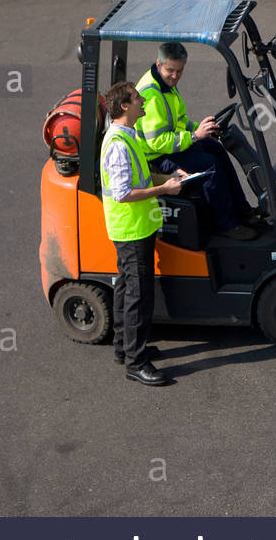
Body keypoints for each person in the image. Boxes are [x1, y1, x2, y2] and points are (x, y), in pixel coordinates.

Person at [100, 81, 183, 387]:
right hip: (132, 228)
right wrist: (164, 189)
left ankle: (124, 347)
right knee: (139, 294)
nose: (144, 102)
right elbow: (123, 193)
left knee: (125, 286)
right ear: (124, 106)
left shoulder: (126, 135)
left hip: (133, 226)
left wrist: (167, 177)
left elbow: (141, 175)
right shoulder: (120, 145)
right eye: (137, 99)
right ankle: (136, 363)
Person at [135, 41, 259, 241]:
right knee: (209, 166)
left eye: (180, 71)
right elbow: (156, 142)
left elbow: (179, 120)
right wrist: (194, 136)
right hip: (157, 157)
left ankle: (242, 211)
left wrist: (199, 128)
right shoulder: (152, 95)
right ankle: (227, 225)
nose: (175, 76)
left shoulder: (166, 85)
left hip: (171, 147)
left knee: (215, 149)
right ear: (159, 65)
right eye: (171, 70)